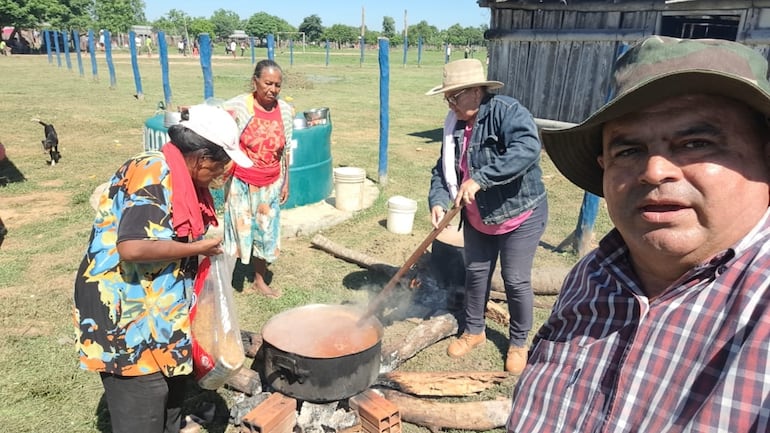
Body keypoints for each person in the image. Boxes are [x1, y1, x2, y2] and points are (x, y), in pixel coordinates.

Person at [507, 36, 770, 432]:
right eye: (628, 151)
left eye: (696, 143)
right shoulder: (590, 276)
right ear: (604, 167)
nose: (654, 171)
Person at [73, 104, 253, 433]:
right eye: (220, 165)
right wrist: (198, 248)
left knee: (173, 390)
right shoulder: (152, 172)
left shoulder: (182, 176)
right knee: (146, 398)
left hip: (157, 303)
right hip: (124, 308)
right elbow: (132, 246)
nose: (221, 173)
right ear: (201, 157)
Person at [426, 58, 548, 374]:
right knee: (476, 273)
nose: (450, 103)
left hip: (518, 213)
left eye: (455, 96)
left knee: (515, 279)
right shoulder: (452, 124)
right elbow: (443, 168)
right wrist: (438, 199)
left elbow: (527, 148)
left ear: (477, 91)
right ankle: (474, 331)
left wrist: (481, 178)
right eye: (447, 97)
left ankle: (519, 343)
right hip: (478, 216)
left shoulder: (507, 112)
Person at [221, 59, 293, 299]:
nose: (272, 89)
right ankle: (227, 281)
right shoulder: (241, 106)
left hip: (270, 184)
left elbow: (286, 149)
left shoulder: (284, 111)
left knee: (266, 233)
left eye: (277, 85)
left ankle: (259, 281)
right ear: (255, 81)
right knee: (237, 231)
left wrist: (286, 181)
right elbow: (216, 121)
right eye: (267, 83)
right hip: (241, 183)